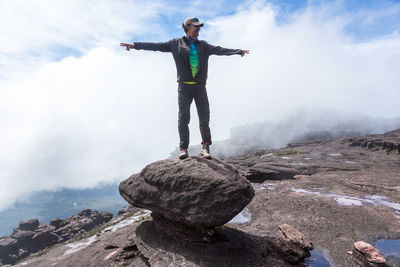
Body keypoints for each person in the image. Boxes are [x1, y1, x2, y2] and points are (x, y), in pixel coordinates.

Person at [121, 17, 249, 160]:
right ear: (188, 26)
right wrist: (135, 45)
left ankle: (205, 147)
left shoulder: (204, 45)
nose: (199, 29)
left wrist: (238, 51)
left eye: (200, 27)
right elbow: (155, 46)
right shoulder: (175, 44)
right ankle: (183, 149)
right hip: (184, 87)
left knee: (204, 118)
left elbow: (220, 50)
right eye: (196, 26)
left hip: (200, 87)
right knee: (183, 118)